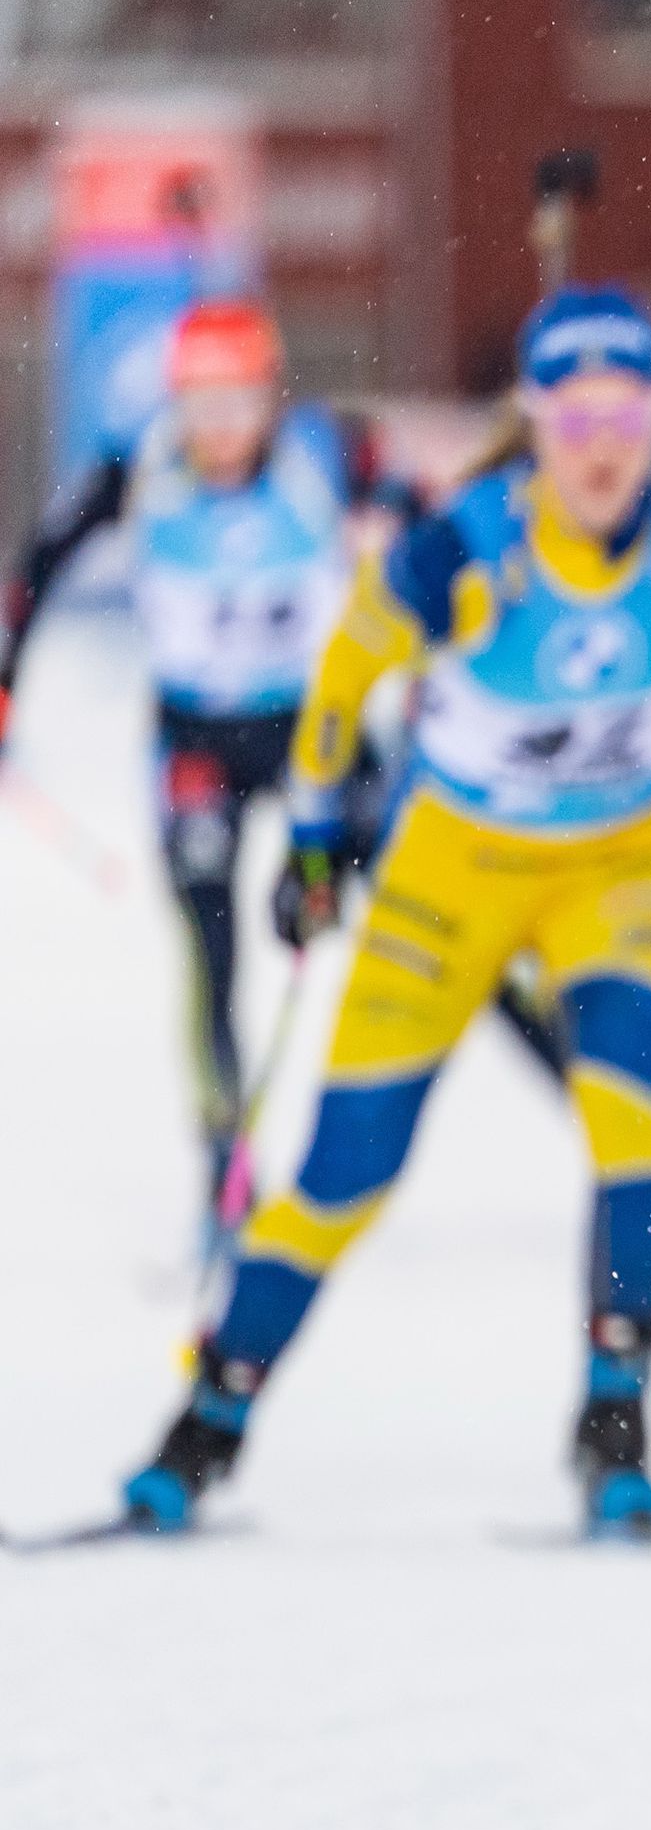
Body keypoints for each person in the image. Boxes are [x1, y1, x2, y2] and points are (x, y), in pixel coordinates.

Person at [117, 285, 651, 1539]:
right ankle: (207, 1425)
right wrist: (319, 841)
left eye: (629, 412)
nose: (604, 445)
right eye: (576, 412)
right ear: (536, 420)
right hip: (453, 871)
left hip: (625, 868)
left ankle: (616, 1427)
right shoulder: (469, 550)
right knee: (343, 1178)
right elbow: (344, 677)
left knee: (629, 1129)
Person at [0, 302, 407, 1209]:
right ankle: (225, 1166)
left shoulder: (329, 455)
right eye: (200, 405)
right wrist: (5, 686)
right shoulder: (137, 471)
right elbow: (36, 569)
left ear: (271, 398)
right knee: (212, 952)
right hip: (199, 745)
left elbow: (442, 530)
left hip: (317, 734)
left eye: (238, 402)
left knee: (435, 913)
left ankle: (621, 1134)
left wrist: (399, 532)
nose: (219, 429)